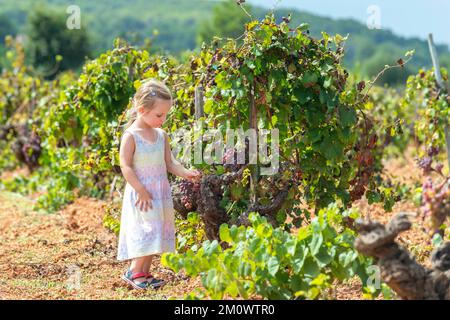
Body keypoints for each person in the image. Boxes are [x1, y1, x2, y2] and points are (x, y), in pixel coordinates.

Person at [117, 79, 200, 289]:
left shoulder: (161, 135)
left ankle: (144, 272)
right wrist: (140, 190)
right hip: (142, 193)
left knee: (155, 232)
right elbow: (125, 166)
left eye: (165, 115)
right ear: (142, 109)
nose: (163, 120)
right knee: (145, 231)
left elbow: (170, 163)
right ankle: (134, 272)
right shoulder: (131, 136)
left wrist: (186, 173)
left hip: (159, 193)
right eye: (159, 115)